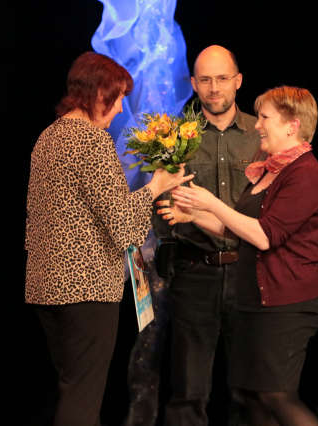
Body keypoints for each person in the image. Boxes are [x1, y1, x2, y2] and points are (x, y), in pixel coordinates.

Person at [24, 51, 192, 426]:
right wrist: (156, 186)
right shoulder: (92, 141)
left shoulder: (49, 137)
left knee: (74, 390)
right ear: (98, 93)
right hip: (85, 290)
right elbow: (124, 226)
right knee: (82, 401)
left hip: (46, 288)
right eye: (116, 99)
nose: (119, 110)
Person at [159, 86, 318, 425]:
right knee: (252, 396)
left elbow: (265, 236)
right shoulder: (270, 170)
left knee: (276, 396)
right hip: (255, 299)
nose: (257, 125)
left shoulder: (306, 174)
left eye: (265, 118)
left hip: (286, 303)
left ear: (292, 126)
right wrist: (194, 215)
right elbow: (241, 230)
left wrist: (212, 203)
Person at [152, 44, 262, 426]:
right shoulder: (173, 139)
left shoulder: (261, 135)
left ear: (238, 81)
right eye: (205, 80)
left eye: (222, 79)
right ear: (194, 84)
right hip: (194, 271)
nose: (214, 88)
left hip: (251, 273)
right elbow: (162, 212)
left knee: (251, 391)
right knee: (188, 391)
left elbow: (277, 210)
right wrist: (178, 214)